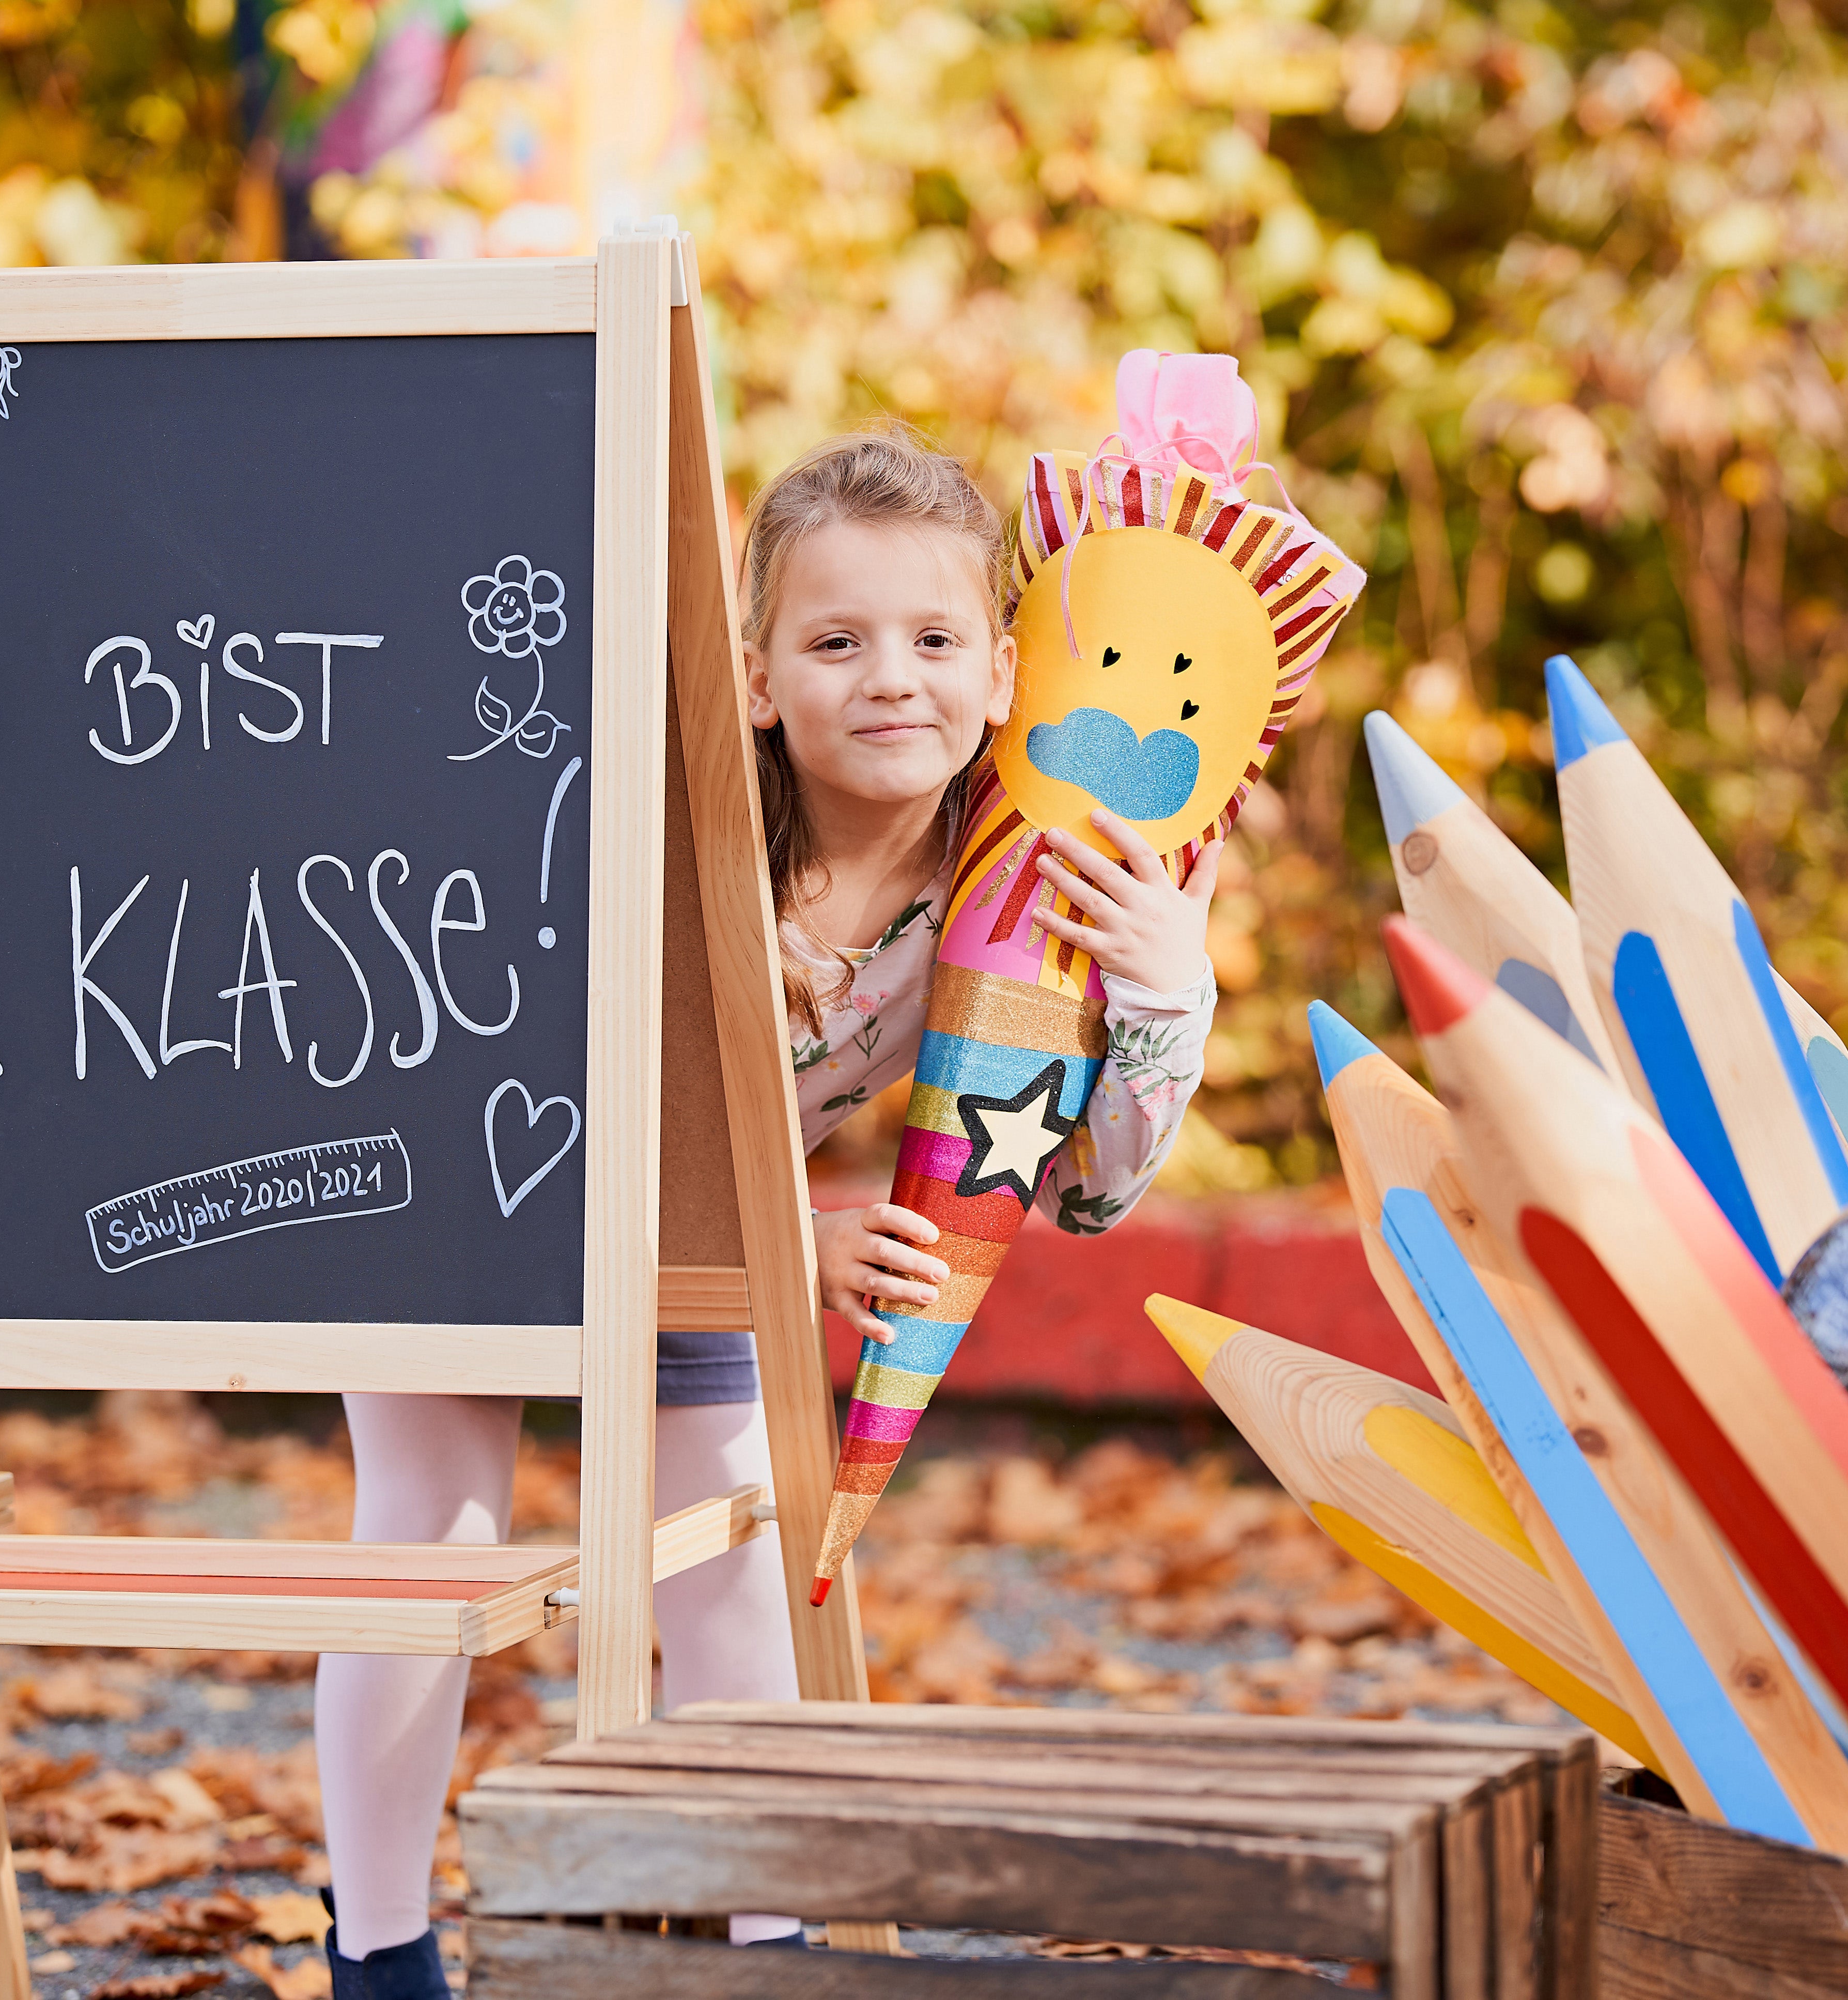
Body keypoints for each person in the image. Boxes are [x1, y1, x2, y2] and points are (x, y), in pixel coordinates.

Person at [316, 426, 1218, 1993]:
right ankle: (379, 1952)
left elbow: (1086, 1191)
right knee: (431, 1550)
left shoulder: (1008, 885)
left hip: (705, 1252)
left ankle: (765, 1938)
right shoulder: (662, 825)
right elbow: (508, 1064)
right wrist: (793, 1237)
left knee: (730, 1547)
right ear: (754, 676)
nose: (892, 678)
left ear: (1003, 674)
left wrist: (1165, 987)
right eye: (837, 640)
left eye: (936, 640)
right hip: (467, 1196)